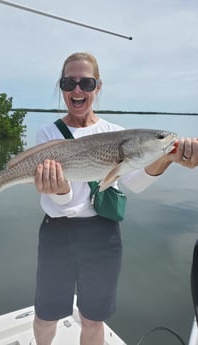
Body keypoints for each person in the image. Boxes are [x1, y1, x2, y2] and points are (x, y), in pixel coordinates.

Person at [33, 52, 198, 345]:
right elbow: (63, 202)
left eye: (86, 82)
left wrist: (167, 158)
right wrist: (59, 191)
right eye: (68, 82)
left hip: (102, 232)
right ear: (61, 88)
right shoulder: (48, 134)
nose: (77, 90)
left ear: (98, 87)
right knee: (46, 314)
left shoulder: (116, 133)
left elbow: (135, 184)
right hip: (56, 232)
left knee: (93, 318)